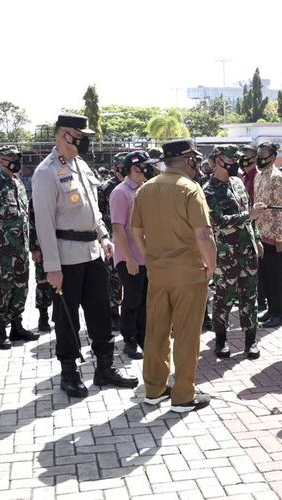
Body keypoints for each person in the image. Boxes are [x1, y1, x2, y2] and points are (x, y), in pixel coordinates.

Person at [32, 113, 137, 398]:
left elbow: (93, 210)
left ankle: (105, 367)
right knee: (67, 319)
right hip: (65, 257)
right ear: (64, 134)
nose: (85, 141)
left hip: (92, 254)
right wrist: (52, 267)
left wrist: (103, 236)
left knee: (101, 313)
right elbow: (43, 224)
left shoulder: (81, 166)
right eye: (81, 136)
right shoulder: (46, 172)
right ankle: (69, 372)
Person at [131, 139, 216, 413]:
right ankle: (183, 396)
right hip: (189, 274)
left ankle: (154, 390)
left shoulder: (145, 189)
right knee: (186, 335)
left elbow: (136, 233)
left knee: (155, 331)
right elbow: (204, 234)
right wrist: (210, 266)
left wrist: (151, 259)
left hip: (158, 273)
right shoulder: (191, 190)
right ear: (188, 159)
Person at [204, 145, 266, 359]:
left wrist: (256, 238)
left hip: (247, 251)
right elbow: (219, 223)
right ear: (218, 161)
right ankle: (221, 341)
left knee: (250, 297)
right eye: (231, 160)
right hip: (226, 254)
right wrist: (250, 215)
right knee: (223, 298)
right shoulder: (209, 190)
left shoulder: (238, 184)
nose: (235, 164)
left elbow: (249, 216)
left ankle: (251, 342)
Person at [0, 145, 38, 349]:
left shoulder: (19, 184)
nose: (15, 161)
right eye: (10, 158)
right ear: (0, 161)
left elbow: (25, 217)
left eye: (17, 157)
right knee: (0, 289)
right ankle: (0, 331)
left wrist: (32, 246)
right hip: (2, 252)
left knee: (20, 287)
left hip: (20, 250)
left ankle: (17, 326)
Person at [110, 151, 157, 360]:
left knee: (146, 299)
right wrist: (129, 258)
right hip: (129, 256)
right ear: (133, 168)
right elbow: (118, 229)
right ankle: (129, 340)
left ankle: (143, 337)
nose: (147, 170)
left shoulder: (145, 190)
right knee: (132, 299)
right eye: (143, 167)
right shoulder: (120, 193)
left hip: (145, 255)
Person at [254, 142, 282, 328]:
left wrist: (281, 237)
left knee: (277, 278)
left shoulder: (277, 177)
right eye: (258, 154)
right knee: (266, 276)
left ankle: (279, 314)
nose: (259, 157)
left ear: (273, 157)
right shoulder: (259, 176)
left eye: (263, 154)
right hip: (261, 234)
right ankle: (271, 309)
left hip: (274, 236)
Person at [98, 152, 126, 331]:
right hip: (112, 239)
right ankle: (113, 312)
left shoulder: (136, 185)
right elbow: (98, 213)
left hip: (131, 237)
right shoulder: (105, 188)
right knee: (113, 277)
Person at [29, 197, 53, 333]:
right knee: (42, 282)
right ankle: (43, 316)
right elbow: (31, 222)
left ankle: (59, 315)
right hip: (42, 244)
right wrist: (34, 248)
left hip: (63, 243)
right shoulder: (38, 195)